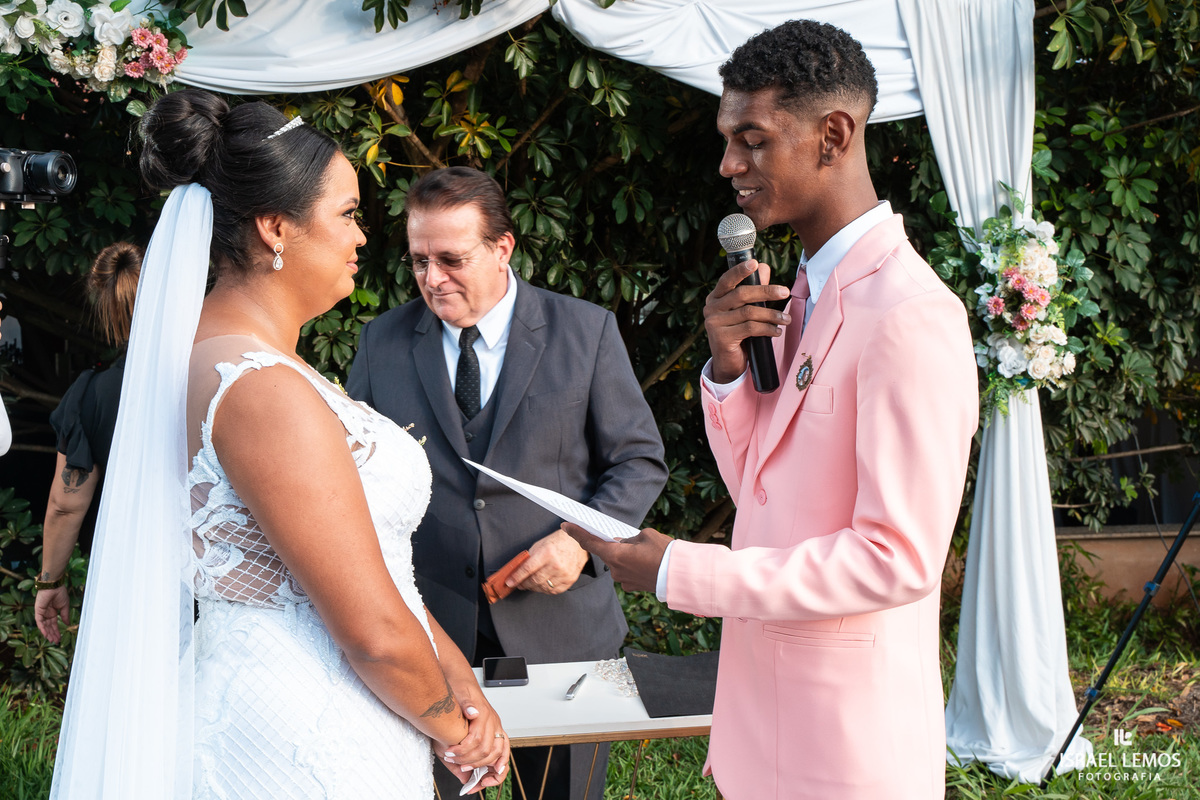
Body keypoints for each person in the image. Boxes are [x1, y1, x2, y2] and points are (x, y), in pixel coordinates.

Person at [49, 89, 508, 799]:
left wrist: (458, 684)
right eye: (348, 214)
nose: (362, 237)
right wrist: (459, 728)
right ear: (275, 228)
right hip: (304, 742)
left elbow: (379, 572)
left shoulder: (239, 360)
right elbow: (371, 630)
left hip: (307, 711)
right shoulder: (260, 388)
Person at [565, 20, 979, 800]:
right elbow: (761, 491)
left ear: (834, 136)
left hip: (848, 748)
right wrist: (729, 373)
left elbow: (896, 558)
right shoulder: (802, 293)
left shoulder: (909, 314)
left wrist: (679, 570)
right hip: (762, 724)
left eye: (751, 140)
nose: (729, 165)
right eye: (729, 141)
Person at [347, 166, 667, 800]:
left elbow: (638, 461)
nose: (432, 278)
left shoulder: (585, 331)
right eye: (419, 260)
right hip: (432, 634)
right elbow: (359, 478)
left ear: (502, 248)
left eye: (451, 259)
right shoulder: (381, 342)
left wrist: (579, 543)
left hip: (564, 635)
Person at [35, 242, 140, 643]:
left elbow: (66, 505)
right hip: (222, 575)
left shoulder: (93, 396)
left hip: (133, 580)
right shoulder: (215, 371)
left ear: (105, 309)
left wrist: (50, 582)